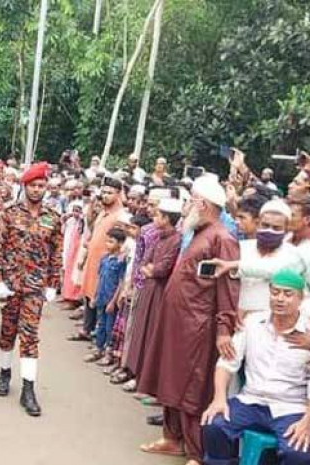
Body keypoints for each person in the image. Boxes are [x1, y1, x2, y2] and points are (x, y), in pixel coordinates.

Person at [139, 175, 240, 465]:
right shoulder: (199, 232)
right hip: (177, 322)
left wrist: (223, 329)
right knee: (169, 380)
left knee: (192, 388)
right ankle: (171, 439)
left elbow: (227, 288)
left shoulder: (223, 238)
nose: (186, 207)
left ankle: (196, 453)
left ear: (203, 204)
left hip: (198, 327)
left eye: (191, 200)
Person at [201, 269, 310, 465]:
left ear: (301, 298)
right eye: (275, 292)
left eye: (288, 294)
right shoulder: (252, 323)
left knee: (299, 453)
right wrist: (219, 398)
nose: (280, 299)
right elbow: (227, 363)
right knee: (214, 424)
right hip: (251, 401)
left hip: (291, 408)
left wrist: (308, 421)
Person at [0, 162, 62, 417]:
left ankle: (28, 389)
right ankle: (4, 372)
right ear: (25, 186)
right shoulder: (9, 213)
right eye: (33, 185)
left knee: (30, 336)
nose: (37, 190)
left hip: (34, 286)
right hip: (10, 284)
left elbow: (56, 254)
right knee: (7, 332)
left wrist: (54, 284)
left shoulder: (53, 217)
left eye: (41, 186)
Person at [124, 198, 182, 385]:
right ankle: (133, 372)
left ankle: (143, 378)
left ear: (166, 219)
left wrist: (151, 269)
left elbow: (162, 269)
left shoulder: (176, 240)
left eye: (157, 215)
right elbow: (144, 263)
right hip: (148, 288)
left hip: (160, 292)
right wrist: (149, 269)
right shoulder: (158, 237)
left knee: (151, 334)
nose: (154, 218)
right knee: (140, 331)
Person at [70, 176, 125, 342]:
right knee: (89, 293)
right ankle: (87, 329)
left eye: (110, 193)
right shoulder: (103, 212)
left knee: (100, 297)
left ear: (119, 194)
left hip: (108, 265)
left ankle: (98, 337)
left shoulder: (120, 216)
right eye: (104, 192)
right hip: (93, 261)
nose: (106, 195)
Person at [85, 228, 128, 364]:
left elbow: (121, 282)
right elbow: (99, 278)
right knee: (101, 324)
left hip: (111, 299)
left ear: (120, 243)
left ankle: (108, 353)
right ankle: (99, 349)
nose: (107, 244)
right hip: (101, 297)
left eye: (111, 241)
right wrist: (94, 296)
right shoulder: (104, 258)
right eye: (107, 241)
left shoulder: (121, 261)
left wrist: (113, 301)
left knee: (110, 327)